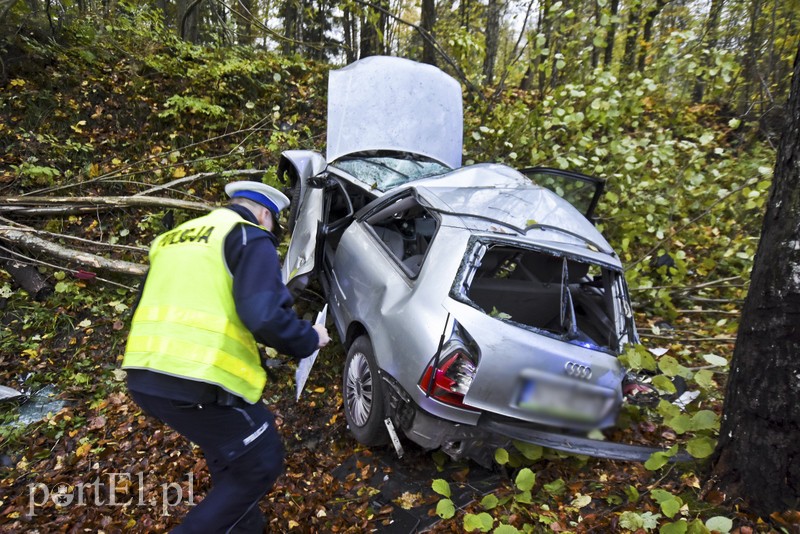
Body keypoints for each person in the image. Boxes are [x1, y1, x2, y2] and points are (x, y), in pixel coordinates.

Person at [122, 180, 330, 533]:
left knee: (228, 447)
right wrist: (309, 336)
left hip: (144, 373)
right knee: (261, 459)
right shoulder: (249, 235)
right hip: (197, 375)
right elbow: (264, 315)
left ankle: (244, 527)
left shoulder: (175, 238)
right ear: (266, 214)